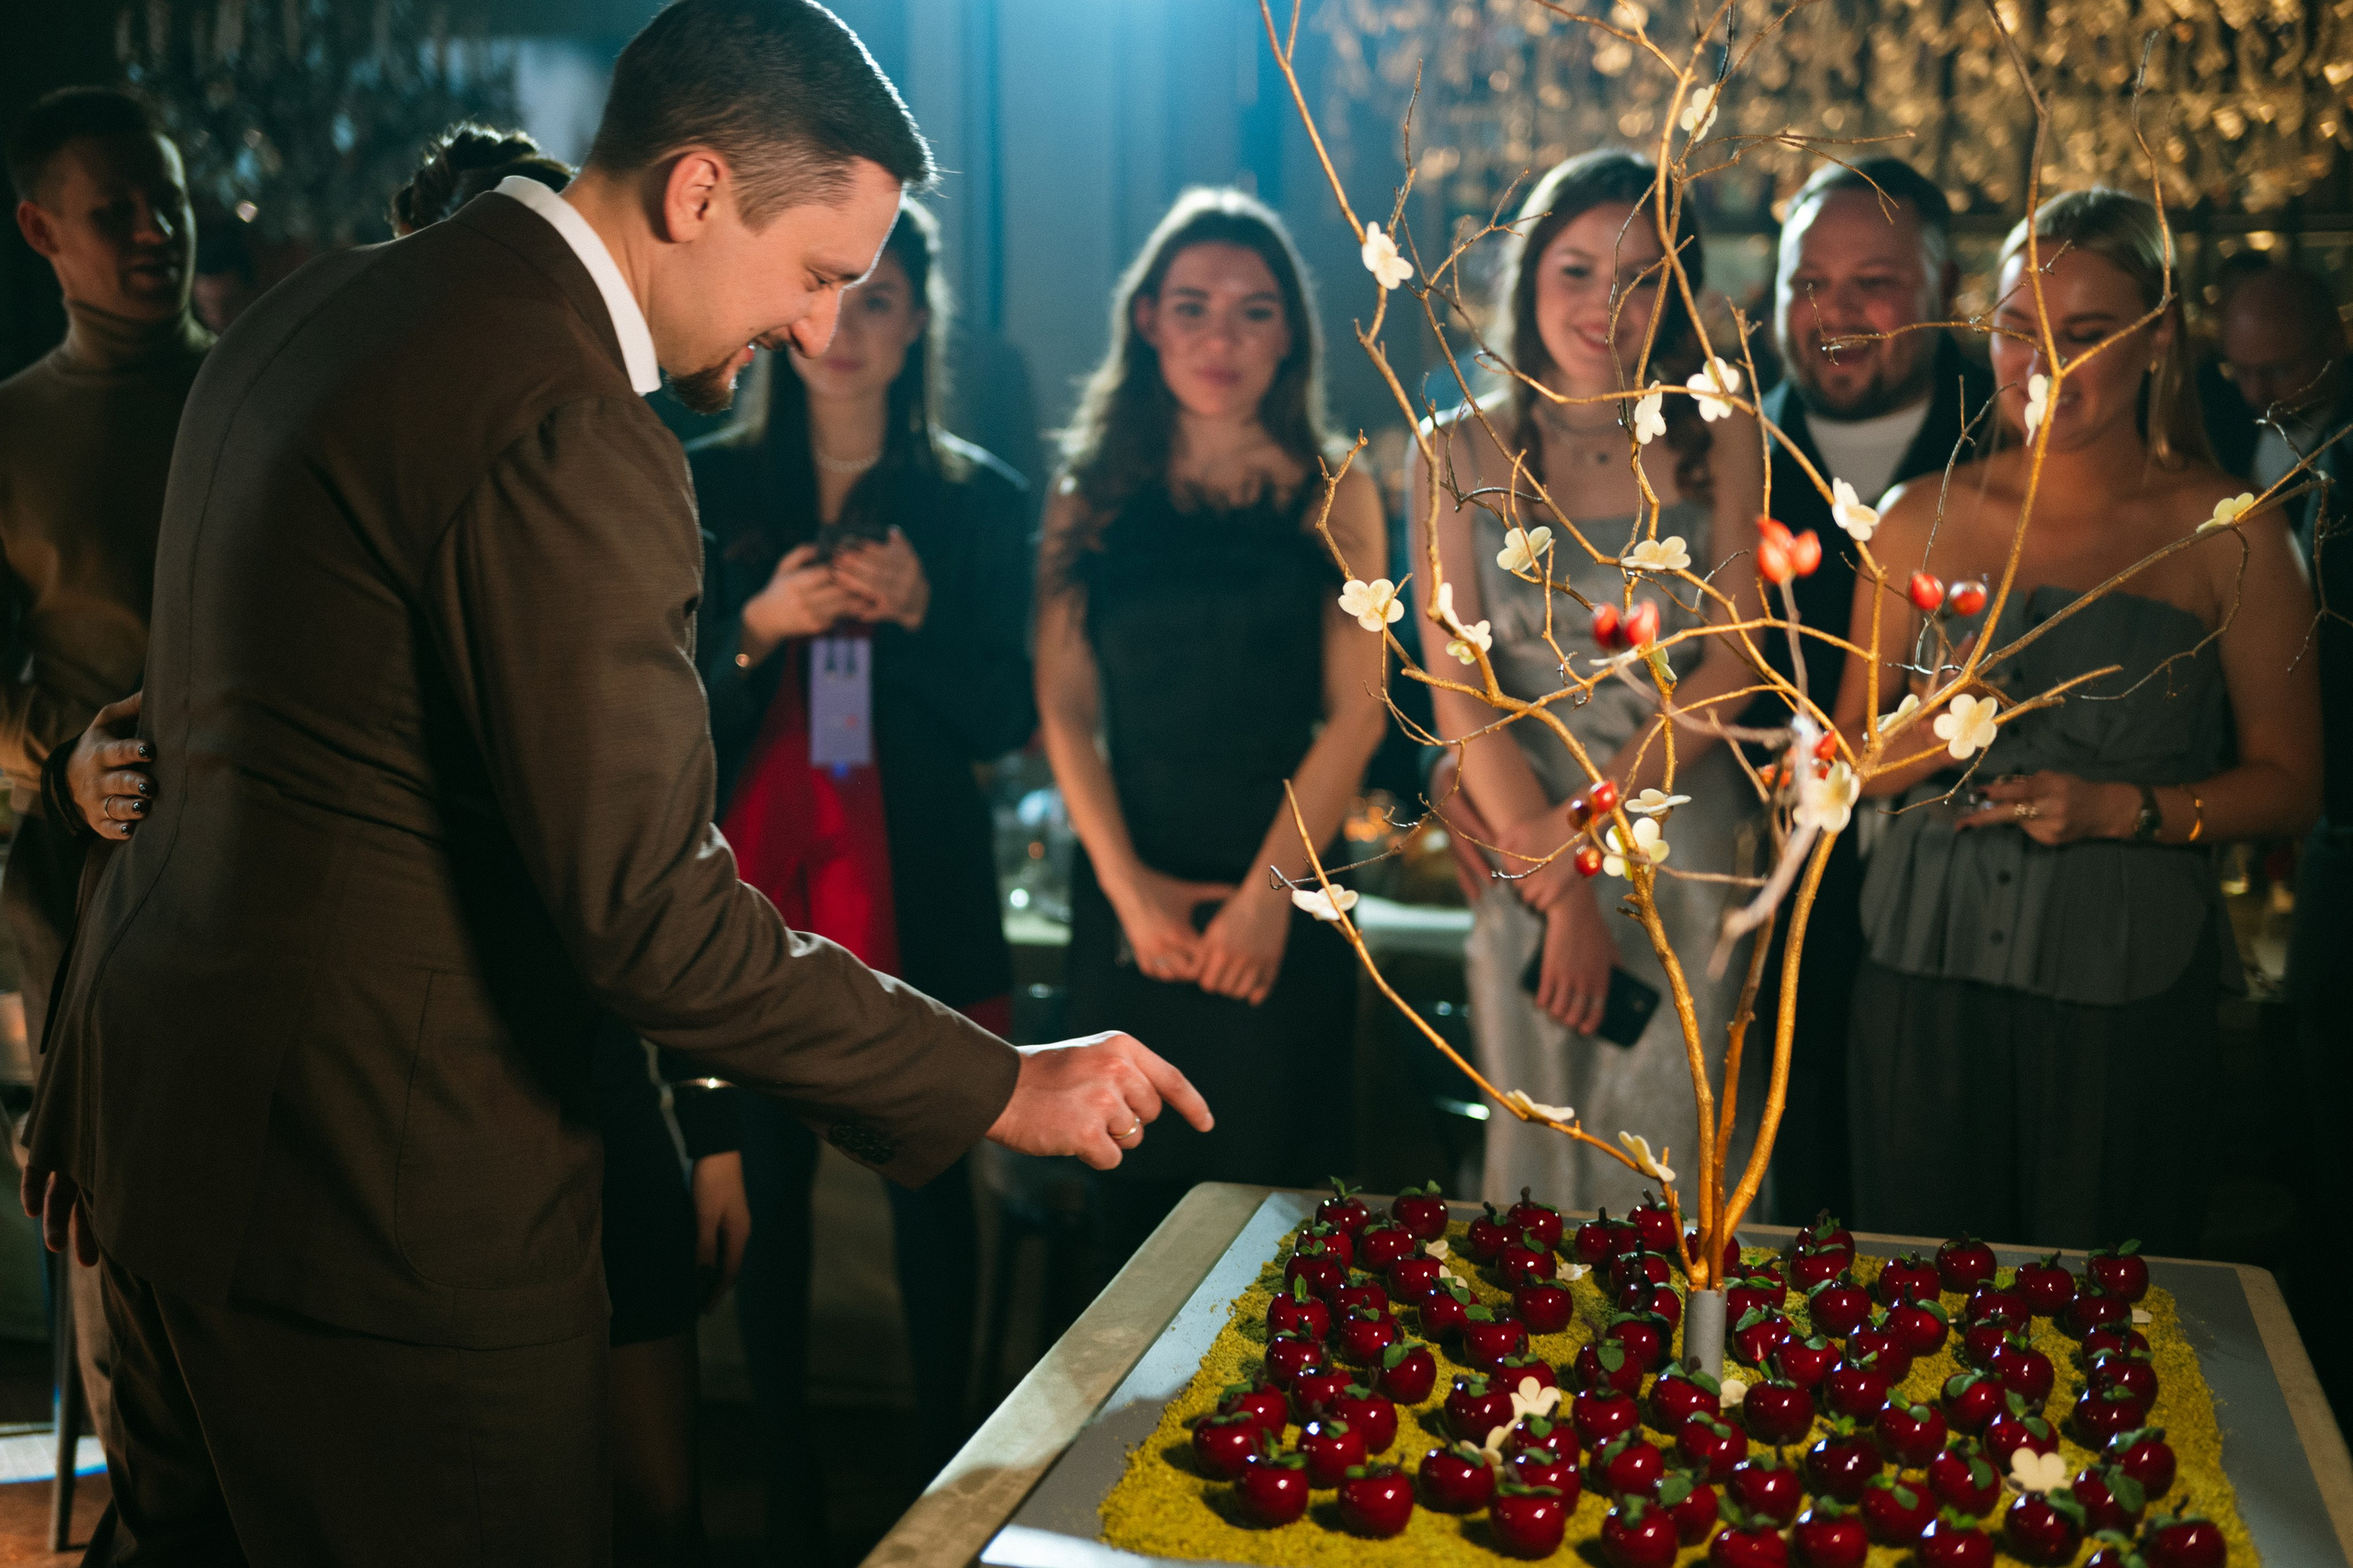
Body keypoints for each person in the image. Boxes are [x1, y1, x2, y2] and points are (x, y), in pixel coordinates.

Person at [24, 4, 1207, 1562]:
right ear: (699, 189)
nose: (814, 332)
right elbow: (651, 917)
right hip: (378, 1197)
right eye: (816, 275)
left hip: (166, 1146)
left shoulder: (313, 315)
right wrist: (1000, 1082)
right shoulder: (576, 421)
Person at [1837, 187, 2322, 1255]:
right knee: (1914, 1299)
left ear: (2157, 341)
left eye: (2087, 334)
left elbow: (2292, 779)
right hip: (1923, 968)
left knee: (2102, 1306)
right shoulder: (1920, 514)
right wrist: (1918, 734)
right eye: (2017, 328)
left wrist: (2121, 808)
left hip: (2127, 978)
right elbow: (1834, 769)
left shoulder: (2227, 531)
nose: (2040, 361)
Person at [682, 198, 1031, 1546]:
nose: (849, 327)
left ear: (918, 322)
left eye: (885, 300)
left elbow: (1005, 716)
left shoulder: (974, 500)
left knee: (930, 1182)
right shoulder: (710, 481)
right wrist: (759, 627)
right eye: (838, 293)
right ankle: (788, 1499)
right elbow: (658, 714)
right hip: (747, 884)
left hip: (921, 885)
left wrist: (925, 616)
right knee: (765, 1197)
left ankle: (947, 1501)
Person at [1407, 150, 1768, 1211]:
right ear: (1526, 278)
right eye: (1575, 270)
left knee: (1677, 1144)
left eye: (1642, 277)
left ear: (1679, 294)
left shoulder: (1726, 434)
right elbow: (1452, 674)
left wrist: (1586, 825)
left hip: (1681, 830)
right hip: (1515, 836)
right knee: (1538, 1150)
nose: (1605, 305)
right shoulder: (1450, 450)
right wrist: (1545, 856)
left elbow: (1734, 660)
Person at [1037, 188, 1386, 1265]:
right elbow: (1064, 707)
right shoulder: (1087, 490)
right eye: (1192, 306)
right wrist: (1128, 888)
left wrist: (1267, 901)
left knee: (1270, 1233)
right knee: (1122, 1230)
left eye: (1253, 310)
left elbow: (1358, 710)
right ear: (1146, 320)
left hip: (1282, 905)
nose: (1221, 338)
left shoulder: (1340, 486)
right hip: (1128, 899)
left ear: (1292, 331)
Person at [1, 83, 211, 1470]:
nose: (154, 234)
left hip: (272, 876)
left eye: (170, 203)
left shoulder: (259, 382)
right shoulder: (11, 433)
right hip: (94, 891)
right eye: (113, 212)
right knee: (130, 1267)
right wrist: (51, 755)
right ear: (40, 233)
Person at [1754, 157, 1995, 1225]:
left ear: (1943, 293)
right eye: (1808, 282)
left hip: (1973, 903)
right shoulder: (1730, 454)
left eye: (1874, 283)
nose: (1833, 312)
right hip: (1770, 899)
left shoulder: (2025, 447)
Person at [2211, 263, 2353, 1412]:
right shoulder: (2226, 438)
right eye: (2239, 366)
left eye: (2282, 366)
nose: (2260, 387)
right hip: (2296, 805)